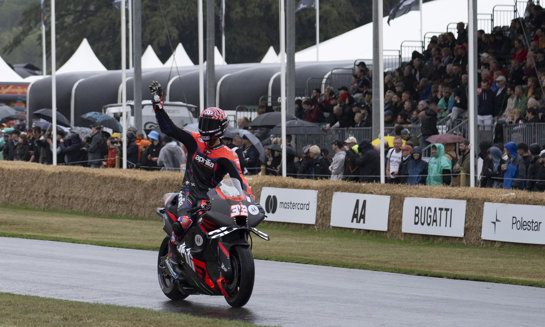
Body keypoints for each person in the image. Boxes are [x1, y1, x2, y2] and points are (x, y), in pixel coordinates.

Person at [150, 81, 253, 256]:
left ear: (220, 128)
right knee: (183, 222)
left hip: (211, 196)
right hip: (189, 192)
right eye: (204, 123)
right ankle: (172, 255)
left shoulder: (226, 155)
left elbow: (239, 179)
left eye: (210, 125)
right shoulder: (194, 140)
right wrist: (157, 105)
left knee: (227, 222)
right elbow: (169, 128)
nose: (205, 129)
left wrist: (248, 198)